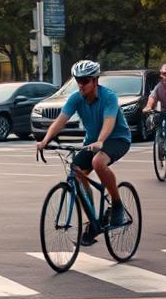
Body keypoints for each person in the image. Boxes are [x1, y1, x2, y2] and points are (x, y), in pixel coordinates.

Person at [35, 60, 134, 246]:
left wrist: (101, 140)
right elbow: (60, 121)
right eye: (78, 80)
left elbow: (109, 122)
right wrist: (45, 140)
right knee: (77, 171)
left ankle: (117, 204)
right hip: (92, 142)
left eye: (85, 81)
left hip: (117, 139)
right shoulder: (76, 98)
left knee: (98, 163)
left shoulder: (109, 97)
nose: (81, 84)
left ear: (95, 81)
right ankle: (93, 222)